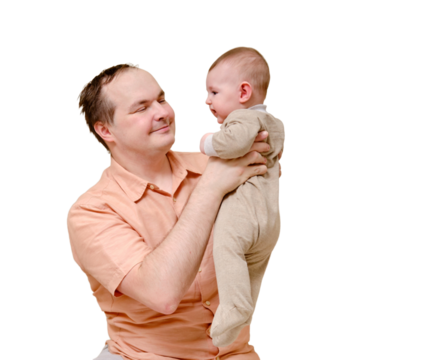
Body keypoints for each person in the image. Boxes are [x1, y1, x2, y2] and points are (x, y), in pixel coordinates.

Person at [67, 60, 277, 360]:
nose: (163, 112)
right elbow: (162, 295)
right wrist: (211, 188)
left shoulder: (219, 164)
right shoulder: (90, 212)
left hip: (237, 354)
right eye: (141, 108)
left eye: (162, 98)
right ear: (105, 130)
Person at [198, 45, 285, 347]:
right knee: (252, 270)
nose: (208, 101)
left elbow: (234, 142)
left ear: (244, 92)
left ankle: (234, 308)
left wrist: (208, 142)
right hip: (270, 218)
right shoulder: (275, 124)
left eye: (214, 92)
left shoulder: (243, 120)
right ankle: (241, 317)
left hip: (242, 213)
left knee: (227, 251)